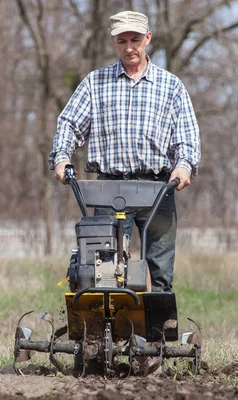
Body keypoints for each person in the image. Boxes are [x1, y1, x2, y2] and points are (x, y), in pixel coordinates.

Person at [48, 10, 201, 293]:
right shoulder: (96, 83)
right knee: (103, 269)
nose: (129, 47)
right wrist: (62, 157)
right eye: (122, 41)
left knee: (160, 270)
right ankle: (103, 333)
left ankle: (158, 333)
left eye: (135, 39)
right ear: (113, 42)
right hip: (109, 187)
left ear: (148, 39)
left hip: (158, 187)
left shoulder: (171, 87)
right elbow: (69, 124)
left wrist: (184, 165)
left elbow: (187, 137)